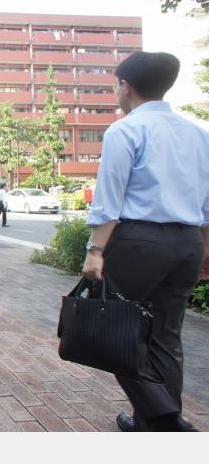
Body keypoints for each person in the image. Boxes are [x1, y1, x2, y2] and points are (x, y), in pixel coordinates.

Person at [81, 51, 209, 432]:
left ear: (126, 86)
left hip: (139, 242)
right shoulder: (199, 133)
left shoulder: (125, 130)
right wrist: (205, 249)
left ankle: (163, 420)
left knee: (112, 334)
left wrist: (94, 251)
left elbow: (109, 201)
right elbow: (206, 203)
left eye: (115, 87)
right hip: (187, 242)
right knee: (165, 338)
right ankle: (154, 421)